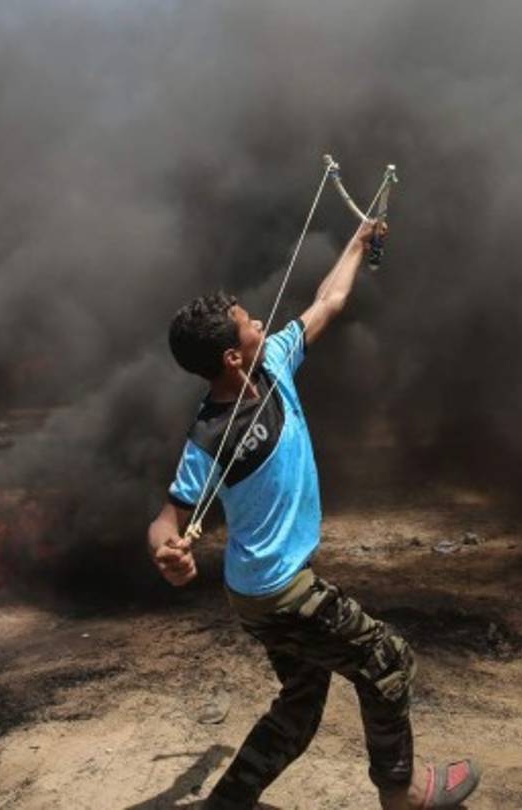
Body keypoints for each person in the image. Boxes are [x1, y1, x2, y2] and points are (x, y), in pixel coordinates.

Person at [147, 218, 480, 809]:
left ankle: (226, 804)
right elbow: (170, 515)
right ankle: (400, 795)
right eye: (249, 322)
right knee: (388, 660)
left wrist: (356, 243)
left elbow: (329, 300)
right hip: (277, 591)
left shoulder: (274, 360)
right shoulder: (210, 436)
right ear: (230, 355)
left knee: (300, 705)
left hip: (260, 592)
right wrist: (165, 547)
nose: (260, 322)